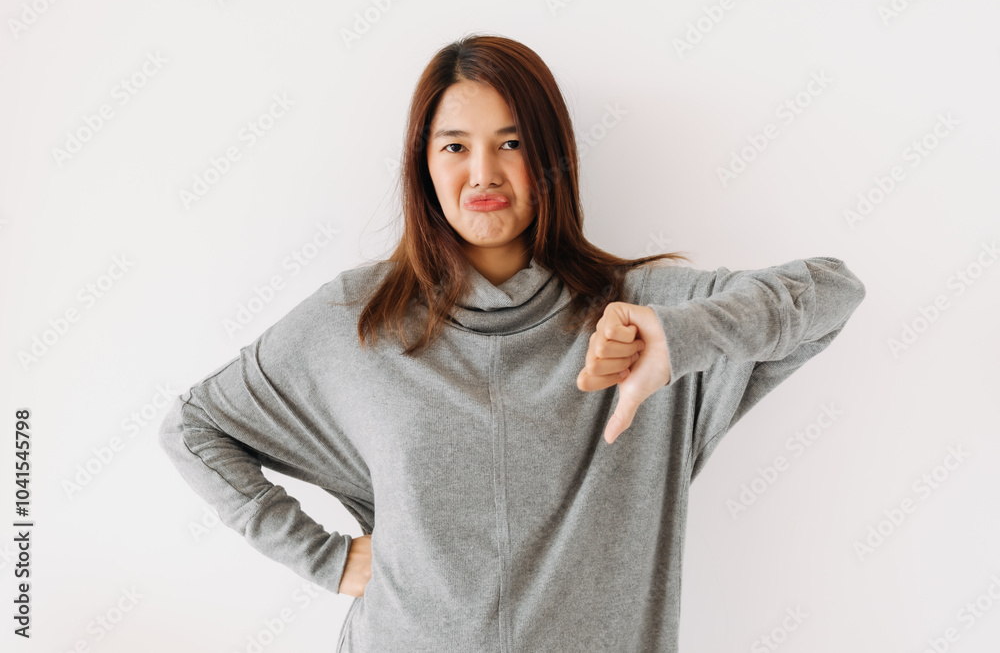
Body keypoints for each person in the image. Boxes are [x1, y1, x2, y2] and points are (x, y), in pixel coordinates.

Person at [158, 33, 866, 652]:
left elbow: (834, 290)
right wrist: (328, 558)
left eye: (513, 143)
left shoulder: (639, 310)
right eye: (455, 146)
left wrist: (680, 336)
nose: (484, 174)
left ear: (551, 157)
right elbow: (194, 427)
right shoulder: (360, 316)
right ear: (423, 165)